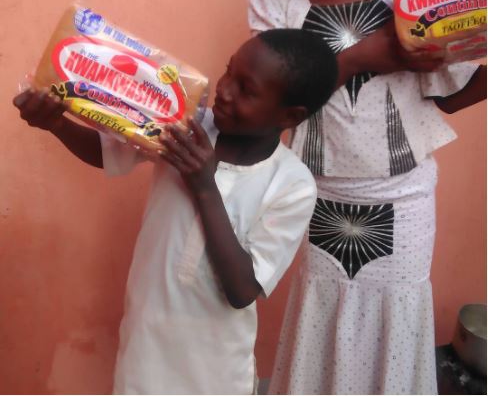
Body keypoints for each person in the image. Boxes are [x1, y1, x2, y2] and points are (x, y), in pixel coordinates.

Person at [248, 0, 486, 395]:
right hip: (318, 193)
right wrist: (370, 54)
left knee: (397, 316)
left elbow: (447, 94)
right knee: (323, 313)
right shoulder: (274, 2)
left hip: (404, 195)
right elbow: (279, 98)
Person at [13, 28, 339, 395]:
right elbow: (105, 152)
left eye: (247, 89)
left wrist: (203, 185)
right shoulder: (183, 126)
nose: (226, 89)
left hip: (216, 368)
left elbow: (242, 290)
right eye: (230, 71)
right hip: (145, 347)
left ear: (289, 115)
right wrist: (55, 123)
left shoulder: (292, 184)